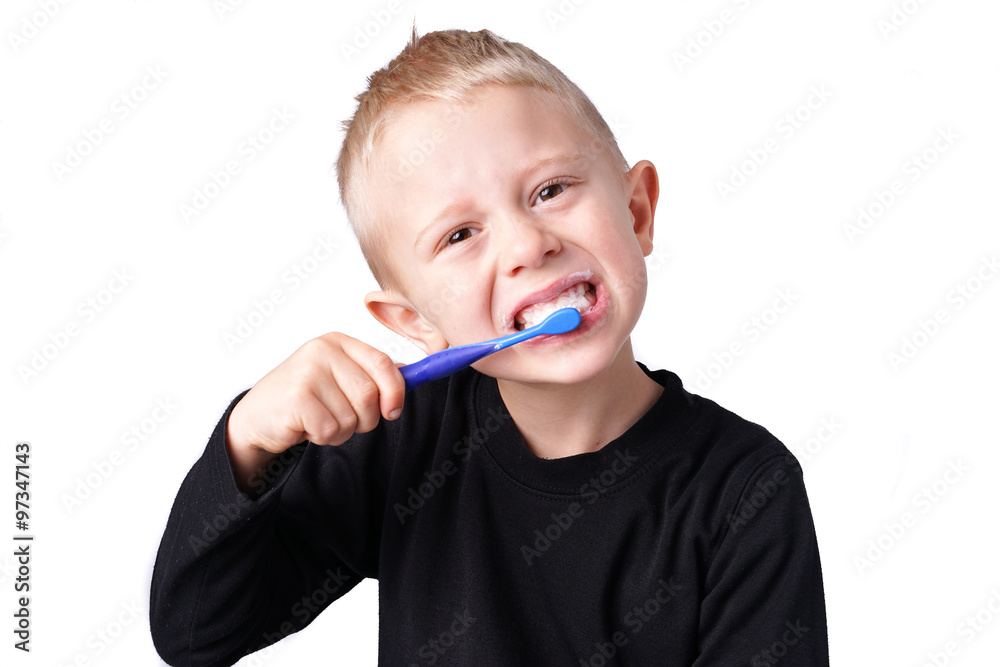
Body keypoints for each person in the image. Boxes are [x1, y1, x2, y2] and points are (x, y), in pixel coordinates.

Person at [150, 27, 829, 666]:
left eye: (551, 190)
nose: (529, 244)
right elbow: (195, 632)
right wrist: (248, 441)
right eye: (460, 235)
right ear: (414, 320)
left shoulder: (746, 489)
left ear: (638, 211)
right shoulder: (399, 440)